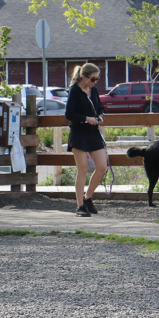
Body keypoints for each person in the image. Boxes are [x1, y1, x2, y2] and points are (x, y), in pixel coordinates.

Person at [64, 62, 107, 217]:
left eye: (97, 79)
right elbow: (69, 114)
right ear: (84, 77)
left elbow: (100, 107)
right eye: (93, 79)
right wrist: (85, 119)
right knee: (82, 169)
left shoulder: (93, 90)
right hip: (79, 132)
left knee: (102, 167)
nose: (95, 82)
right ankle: (80, 206)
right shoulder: (74, 91)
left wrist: (100, 116)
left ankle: (88, 197)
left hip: (93, 132)